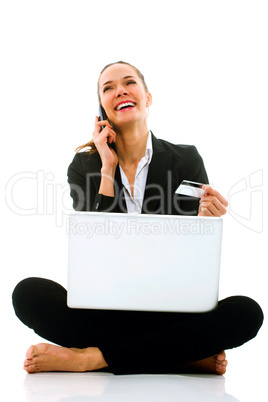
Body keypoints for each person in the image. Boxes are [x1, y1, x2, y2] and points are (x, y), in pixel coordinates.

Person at [12, 61, 263, 375]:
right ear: (102, 108)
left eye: (129, 82)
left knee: (247, 312)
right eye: (108, 88)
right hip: (104, 307)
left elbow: (193, 258)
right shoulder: (84, 166)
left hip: (170, 308)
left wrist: (204, 219)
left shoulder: (186, 159)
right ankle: (178, 356)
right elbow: (96, 244)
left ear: (148, 98)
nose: (119, 90)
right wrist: (106, 167)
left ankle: (91, 358)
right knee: (27, 293)